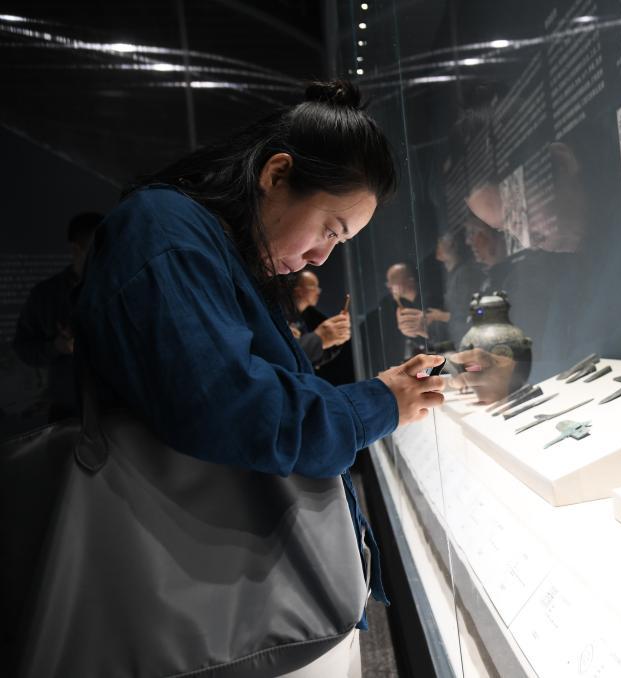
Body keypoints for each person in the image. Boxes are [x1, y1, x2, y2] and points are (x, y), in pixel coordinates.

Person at [71, 80, 445, 675]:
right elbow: (232, 407)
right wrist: (377, 403)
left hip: (246, 610)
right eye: (330, 228)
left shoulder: (215, 246)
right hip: (209, 618)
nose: (322, 256)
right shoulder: (163, 229)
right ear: (277, 174)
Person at [12, 211, 103, 421]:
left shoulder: (122, 289)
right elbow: (23, 347)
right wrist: (56, 347)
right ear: (76, 249)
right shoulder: (45, 295)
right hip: (67, 411)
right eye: (97, 250)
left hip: (116, 410)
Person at [289, 269, 351, 368]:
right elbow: (286, 354)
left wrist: (335, 341)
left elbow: (310, 358)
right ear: (299, 291)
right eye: (313, 287)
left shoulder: (304, 318)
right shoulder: (281, 314)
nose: (318, 291)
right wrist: (320, 338)